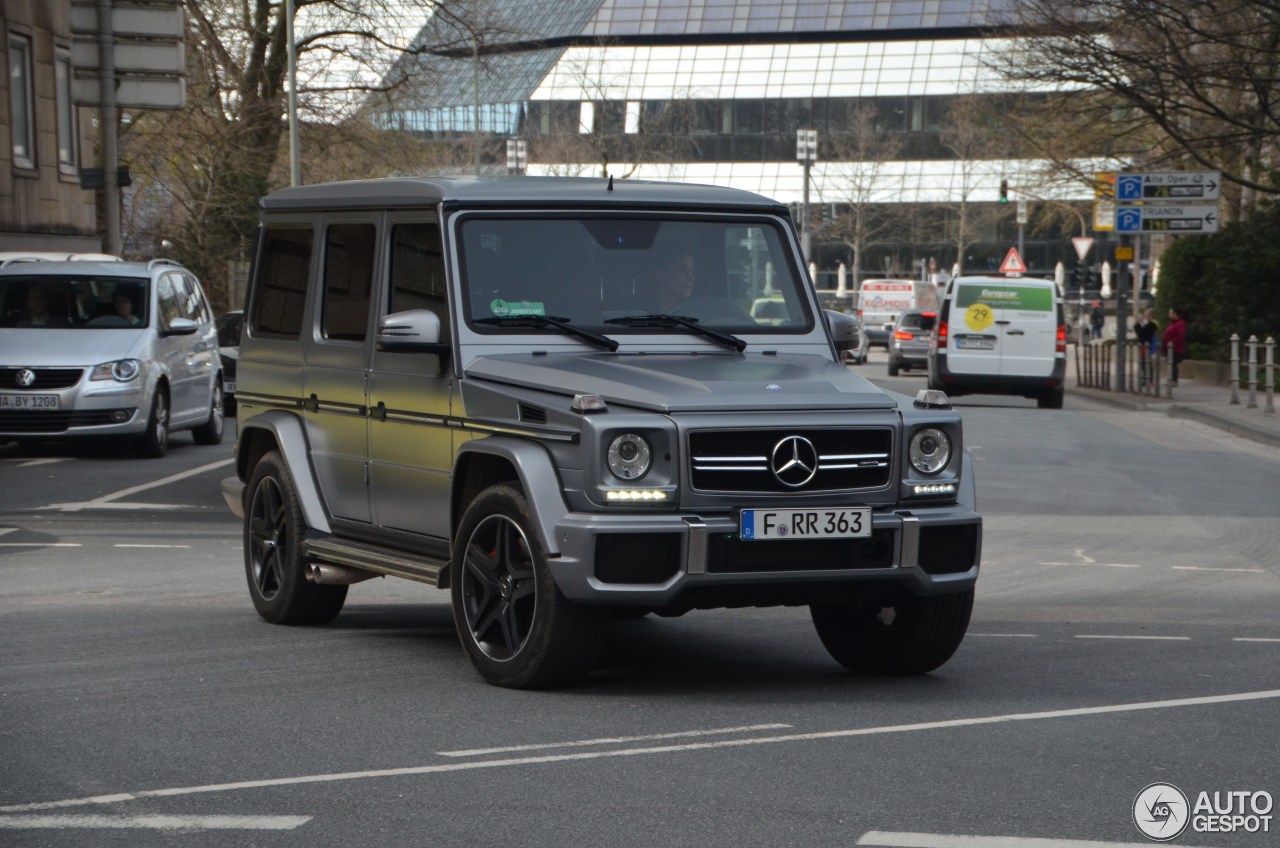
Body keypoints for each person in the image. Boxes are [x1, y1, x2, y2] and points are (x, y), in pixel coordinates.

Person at [1162, 307, 1187, 385]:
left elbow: (1180, 335)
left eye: (1171, 313)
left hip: (1176, 348)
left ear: (1175, 314)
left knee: (1173, 363)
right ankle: (1170, 379)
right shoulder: (1172, 323)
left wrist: (1172, 343)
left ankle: (1174, 380)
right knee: (1170, 363)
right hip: (1169, 348)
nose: (1169, 314)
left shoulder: (1180, 323)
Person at [1133, 307, 1158, 387]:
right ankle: (1145, 378)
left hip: (1148, 346)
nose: (1145, 317)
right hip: (1142, 345)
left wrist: (1138, 325)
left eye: (1146, 315)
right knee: (1143, 363)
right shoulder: (1145, 324)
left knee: (1147, 363)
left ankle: (1149, 380)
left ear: (1151, 316)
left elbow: (1142, 333)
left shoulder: (1152, 325)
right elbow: (1139, 333)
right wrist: (1137, 324)